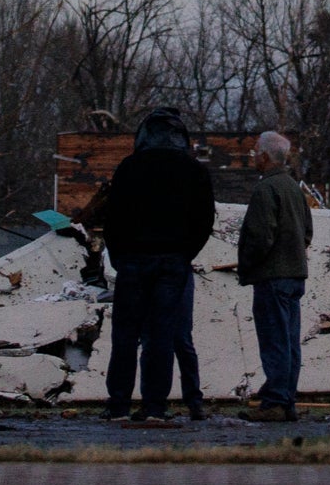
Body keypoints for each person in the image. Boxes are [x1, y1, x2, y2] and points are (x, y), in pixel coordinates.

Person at [87, 107, 215, 422]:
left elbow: (112, 219)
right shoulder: (194, 170)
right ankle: (154, 406)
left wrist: (119, 256)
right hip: (173, 261)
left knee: (126, 334)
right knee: (162, 334)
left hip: (132, 260)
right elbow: (204, 220)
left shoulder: (129, 168)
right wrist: (185, 253)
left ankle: (118, 404)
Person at [235, 129, 312, 422]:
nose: (254, 156)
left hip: (272, 277)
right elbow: (307, 232)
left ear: (265, 156)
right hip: (294, 276)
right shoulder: (294, 188)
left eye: (256, 151)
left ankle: (276, 402)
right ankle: (286, 399)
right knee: (290, 341)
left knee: (274, 340)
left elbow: (260, 235)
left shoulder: (266, 190)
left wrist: (248, 264)